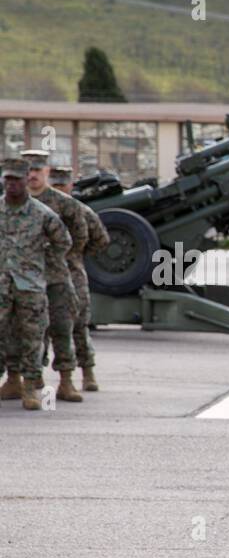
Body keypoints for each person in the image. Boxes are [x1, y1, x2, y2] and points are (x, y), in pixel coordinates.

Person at [0, 150, 86, 404]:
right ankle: (11, 381)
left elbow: (65, 241)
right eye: (7, 179)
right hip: (3, 286)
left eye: (16, 179)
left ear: (26, 180)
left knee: (33, 337)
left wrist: (40, 263)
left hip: (31, 286)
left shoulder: (42, 213)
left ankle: (30, 387)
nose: (11, 184)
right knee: (5, 336)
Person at [50, 166, 108, 392]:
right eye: (55, 185)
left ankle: (88, 372)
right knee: (42, 329)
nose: (59, 189)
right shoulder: (40, 209)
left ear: (70, 186)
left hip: (73, 274)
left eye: (62, 184)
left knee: (79, 325)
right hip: (46, 273)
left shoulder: (81, 211)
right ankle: (34, 378)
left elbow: (101, 239)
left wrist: (77, 255)